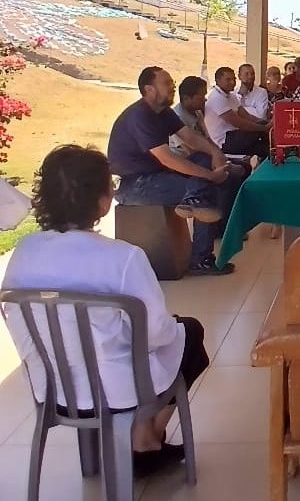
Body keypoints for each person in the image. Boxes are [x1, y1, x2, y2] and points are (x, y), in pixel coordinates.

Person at [2, 145, 211, 477]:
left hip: (55, 388)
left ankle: (142, 441)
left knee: (150, 338)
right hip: (119, 391)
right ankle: (145, 438)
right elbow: (157, 334)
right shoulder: (122, 257)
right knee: (189, 332)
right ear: (102, 201)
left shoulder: (24, 253)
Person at [108, 66, 233, 276]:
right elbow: (166, 157)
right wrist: (210, 175)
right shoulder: (140, 116)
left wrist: (214, 152)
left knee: (203, 160)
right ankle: (200, 258)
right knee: (206, 186)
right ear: (149, 89)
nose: (172, 87)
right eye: (166, 83)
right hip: (135, 185)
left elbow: (190, 138)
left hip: (157, 176)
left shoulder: (163, 112)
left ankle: (193, 200)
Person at [172, 76, 249, 238]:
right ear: (187, 98)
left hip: (207, 159)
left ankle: (229, 224)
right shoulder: (177, 117)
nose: (205, 99)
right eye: (201, 96)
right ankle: (220, 228)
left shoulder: (197, 113)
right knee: (226, 178)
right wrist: (220, 165)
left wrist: (221, 158)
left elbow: (207, 140)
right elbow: (189, 151)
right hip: (187, 165)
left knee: (243, 169)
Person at [204, 66, 271, 160]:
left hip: (235, 135)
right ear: (218, 81)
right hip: (224, 141)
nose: (232, 82)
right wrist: (264, 128)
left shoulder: (231, 96)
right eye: (228, 79)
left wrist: (267, 123)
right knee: (261, 132)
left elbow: (246, 115)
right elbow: (239, 123)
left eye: (233, 79)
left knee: (265, 147)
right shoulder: (216, 97)